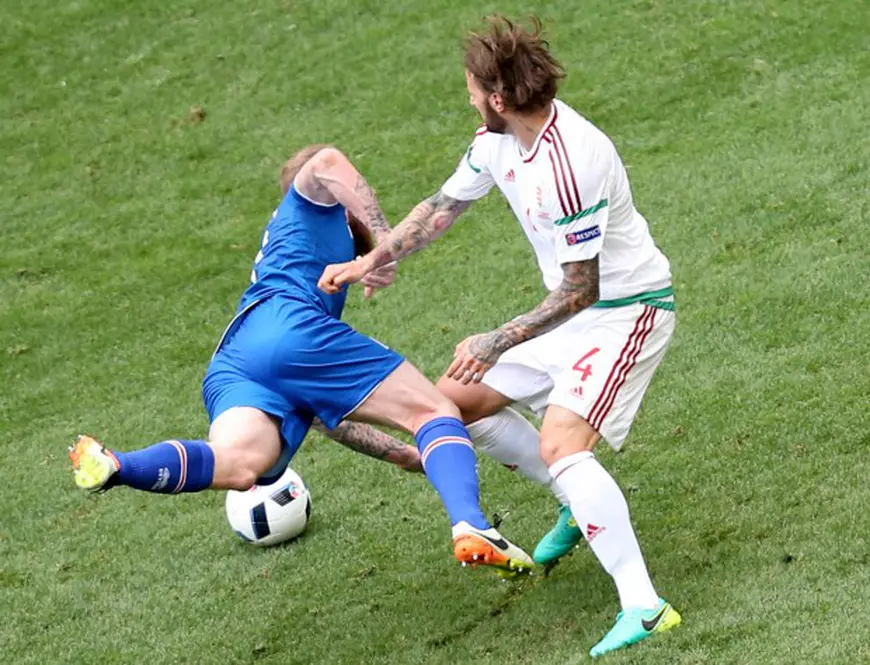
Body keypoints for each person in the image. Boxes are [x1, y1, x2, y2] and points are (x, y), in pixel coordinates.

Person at [318, 16, 681, 657]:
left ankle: (645, 607)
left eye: (471, 92)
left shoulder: (572, 162)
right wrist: (371, 259)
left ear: (500, 98)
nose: (468, 102)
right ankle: (576, 504)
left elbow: (582, 289)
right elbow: (441, 207)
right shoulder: (497, 141)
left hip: (627, 313)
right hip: (573, 315)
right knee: (450, 403)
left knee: (564, 444)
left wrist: (498, 339)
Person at [69, 144, 533, 577]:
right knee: (433, 410)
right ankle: (471, 524)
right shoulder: (312, 206)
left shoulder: (292, 247)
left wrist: (402, 456)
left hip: (237, 361)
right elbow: (327, 161)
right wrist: (385, 244)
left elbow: (327, 417)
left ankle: (117, 465)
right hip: (288, 327)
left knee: (242, 466)